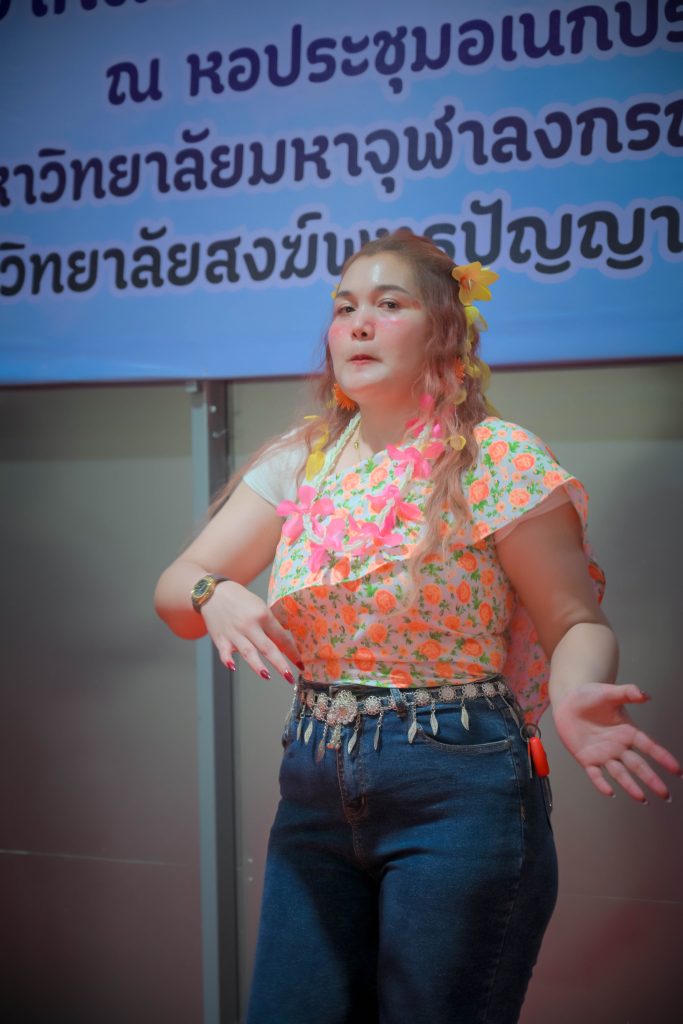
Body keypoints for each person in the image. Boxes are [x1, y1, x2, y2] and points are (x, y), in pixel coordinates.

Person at [154, 230, 680, 1024]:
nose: (357, 324)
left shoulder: (495, 458)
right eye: (344, 308)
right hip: (314, 782)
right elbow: (174, 589)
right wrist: (212, 592)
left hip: (456, 782)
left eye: (388, 304)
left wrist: (576, 694)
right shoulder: (303, 459)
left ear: (445, 331)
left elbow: (573, 618)